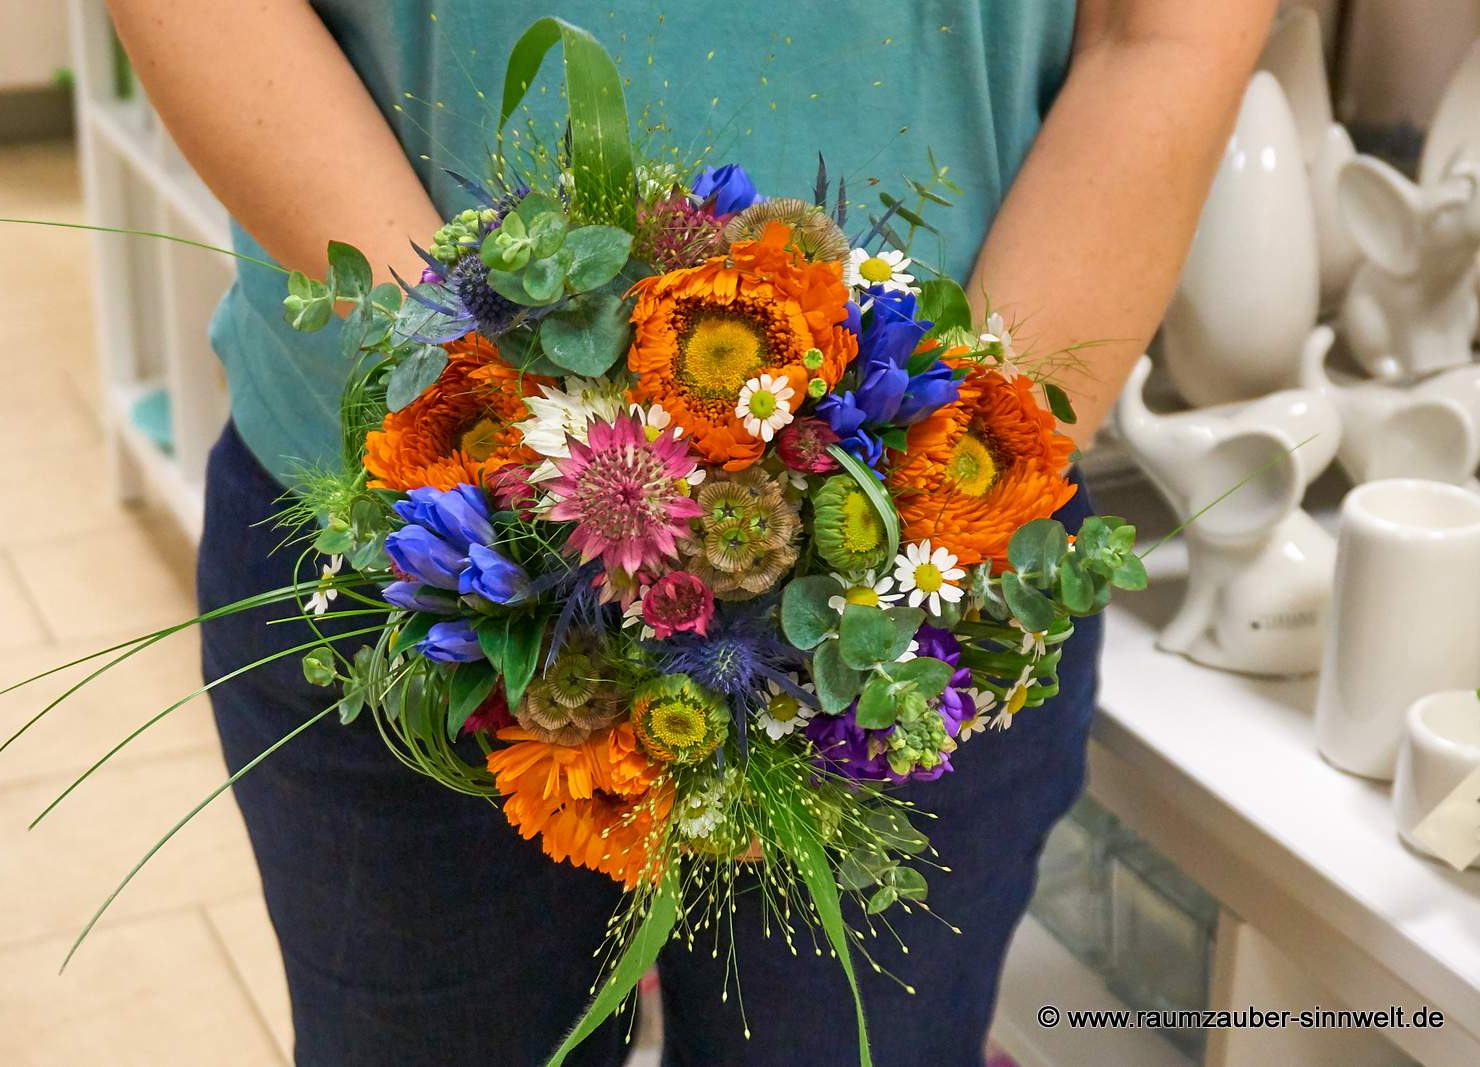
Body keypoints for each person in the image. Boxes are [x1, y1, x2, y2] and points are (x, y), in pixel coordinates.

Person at [108, 2, 1276, 1063]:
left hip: (912, 590)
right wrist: (485, 417)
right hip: (411, 539)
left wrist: (940, 490)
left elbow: (1164, 30)